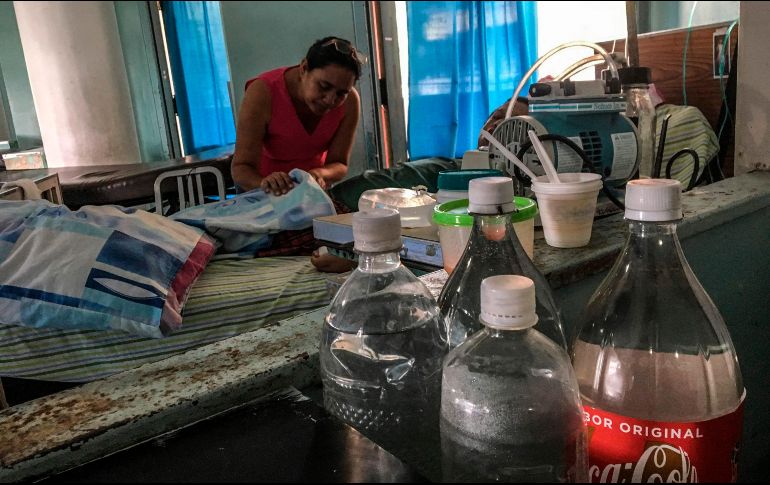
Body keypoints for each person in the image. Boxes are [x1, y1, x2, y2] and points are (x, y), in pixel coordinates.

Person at [231, 36, 364, 272]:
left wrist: (319, 174)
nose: (331, 100)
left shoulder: (350, 102)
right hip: (262, 197)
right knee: (264, 243)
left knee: (361, 231)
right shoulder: (263, 92)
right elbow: (240, 168)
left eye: (341, 93)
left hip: (310, 195)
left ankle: (335, 255)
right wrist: (265, 183)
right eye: (324, 87)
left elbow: (339, 164)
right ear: (304, 69)